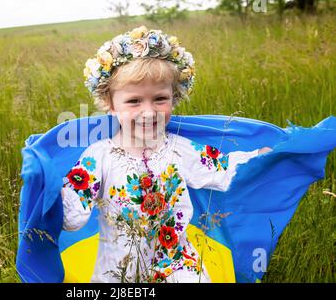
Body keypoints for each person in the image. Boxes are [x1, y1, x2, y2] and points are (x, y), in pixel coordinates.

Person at [60, 26, 272, 283]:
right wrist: (49, 196)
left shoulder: (178, 148)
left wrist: (260, 157)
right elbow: (73, 217)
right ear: (110, 103)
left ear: (174, 97)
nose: (149, 112)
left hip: (177, 262)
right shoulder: (99, 156)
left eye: (160, 98)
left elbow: (223, 169)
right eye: (134, 101)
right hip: (119, 270)